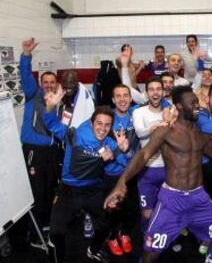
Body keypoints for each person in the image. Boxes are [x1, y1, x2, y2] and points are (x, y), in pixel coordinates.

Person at [103, 86, 212, 263]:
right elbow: (144, 154)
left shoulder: (201, 133)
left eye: (198, 102)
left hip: (199, 199)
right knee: (150, 255)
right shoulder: (165, 131)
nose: (198, 105)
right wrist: (122, 182)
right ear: (178, 106)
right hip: (172, 201)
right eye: (193, 103)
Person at [42, 86, 129, 263]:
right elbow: (51, 124)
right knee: (56, 234)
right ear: (92, 123)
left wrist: (121, 151)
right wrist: (50, 108)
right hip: (69, 191)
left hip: (93, 190)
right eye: (99, 124)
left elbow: (124, 163)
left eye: (107, 125)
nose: (103, 129)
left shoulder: (110, 142)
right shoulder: (73, 136)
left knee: (106, 225)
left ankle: (93, 250)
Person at [19, 38, 61, 248]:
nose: (49, 85)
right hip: (34, 150)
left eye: (52, 82)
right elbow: (26, 77)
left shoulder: (58, 102)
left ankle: (44, 226)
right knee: (36, 192)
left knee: (49, 190)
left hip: (51, 152)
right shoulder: (33, 94)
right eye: (46, 82)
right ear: (41, 84)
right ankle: (33, 236)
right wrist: (26, 55)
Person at [103, 84, 140, 256]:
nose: (122, 99)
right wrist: (123, 155)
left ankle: (124, 233)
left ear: (131, 98)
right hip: (112, 172)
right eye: (118, 96)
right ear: (113, 100)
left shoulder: (137, 113)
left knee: (131, 207)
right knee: (113, 209)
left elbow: (159, 103)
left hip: (132, 171)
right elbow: (99, 142)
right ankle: (111, 237)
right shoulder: (106, 118)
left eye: (126, 95)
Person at [131, 77, 171, 231]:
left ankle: (163, 243)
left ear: (163, 92)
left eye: (158, 89)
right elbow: (140, 133)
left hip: (167, 169)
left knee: (165, 212)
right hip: (146, 170)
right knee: (147, 214)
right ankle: (146, 242)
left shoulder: (170, 111)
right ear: (146, 93)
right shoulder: (139, 112)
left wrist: (168, 119)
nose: (155, 93)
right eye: (151, 89)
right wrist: (159, 125)